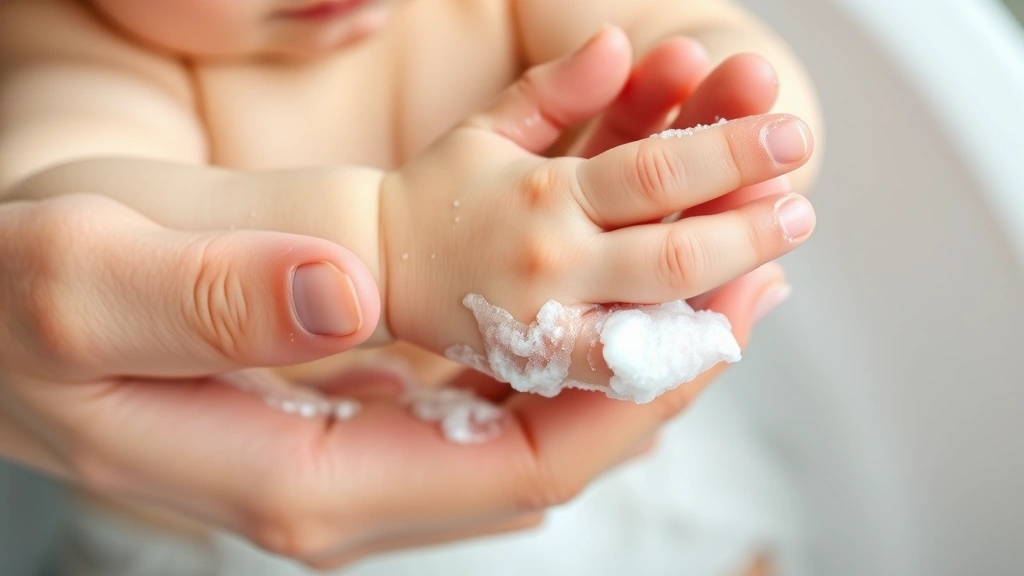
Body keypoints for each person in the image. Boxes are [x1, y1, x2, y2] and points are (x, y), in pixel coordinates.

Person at [0, 0, 820, 572]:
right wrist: (391, 242)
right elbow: (65, 204)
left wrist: (727, 139)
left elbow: (688, 30)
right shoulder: (86, 39)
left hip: (587, 442)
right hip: (213, 531)